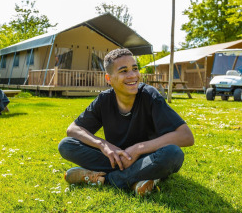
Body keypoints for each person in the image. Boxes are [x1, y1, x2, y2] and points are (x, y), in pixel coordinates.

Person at [58, 48, 194, 196]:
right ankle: (139, 178)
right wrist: (104, 145)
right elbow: (73, 129)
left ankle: (106, 179)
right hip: (116, 159)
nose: (132, 75)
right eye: (123, 71)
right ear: (109, 79)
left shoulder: (150, 95)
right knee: (66, 145)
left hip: (147, 158)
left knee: (173, 153)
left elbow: (186, 136)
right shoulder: (104, 100)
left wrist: (138, 149)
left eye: (135, 69)